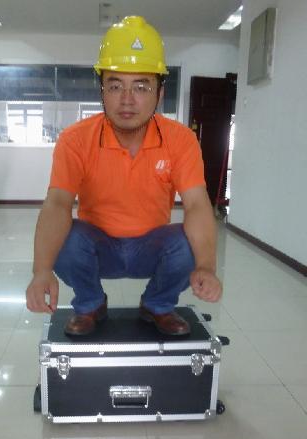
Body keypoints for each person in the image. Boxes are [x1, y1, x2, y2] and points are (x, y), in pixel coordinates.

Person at [25, 16, 222, 336]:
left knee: (187, 243)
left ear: (160, 93)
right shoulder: (75, 139)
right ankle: (90, 304)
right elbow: (57, 203)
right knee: (65, 240)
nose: (127, 99)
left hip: (152, 247)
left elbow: (197, 204)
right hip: (97, 247)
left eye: (141, 87)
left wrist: (206, 267)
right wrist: (41, 271)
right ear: (101, 90)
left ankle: (158, 305)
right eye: (115, 86)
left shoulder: (181, 140)